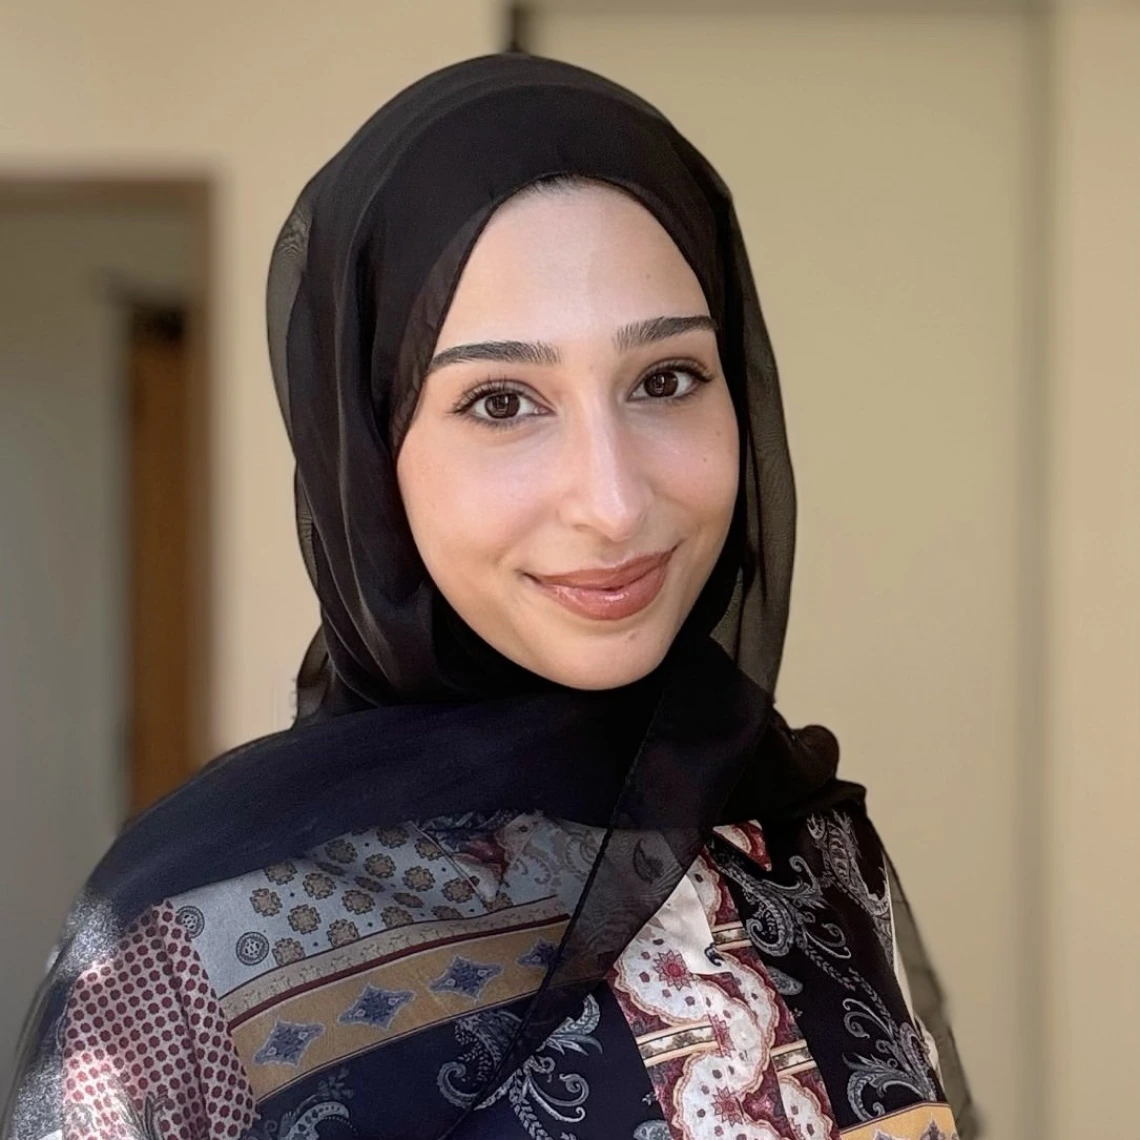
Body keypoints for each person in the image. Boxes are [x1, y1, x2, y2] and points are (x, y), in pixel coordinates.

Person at [2, 53, 976, 1140]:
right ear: (370, 456)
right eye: (502, 400)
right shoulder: (184, 952)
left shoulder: (805, 841)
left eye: (667, 379)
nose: (612, 503)